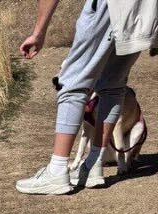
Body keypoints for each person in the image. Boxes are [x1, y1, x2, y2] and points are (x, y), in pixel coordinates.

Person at [15, 0, 158, 194]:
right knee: (113, 84)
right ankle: (93, 164)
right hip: (144, 7)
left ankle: (57, 171)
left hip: (109, 6)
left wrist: (38, 32)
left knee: (72, 80)